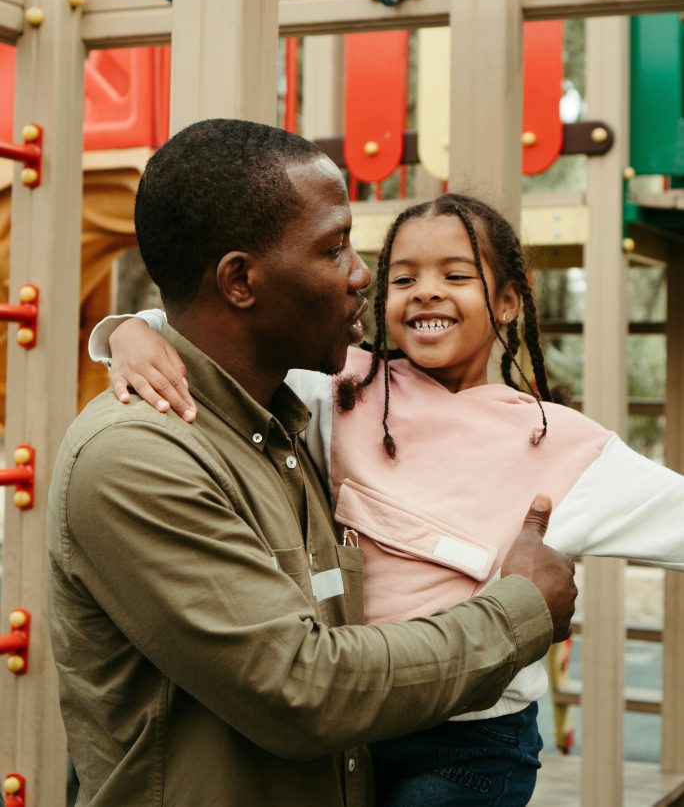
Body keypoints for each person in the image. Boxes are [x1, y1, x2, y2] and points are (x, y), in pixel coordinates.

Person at [49, 120, 578, 807]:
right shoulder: (137, 458)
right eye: (334, 249)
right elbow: (303, 689)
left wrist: (134, 327)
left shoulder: (287, 432)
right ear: (240, 280)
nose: (363, 275)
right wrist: (521, 609)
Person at [95, 191, 684, 807]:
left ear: (509, 302)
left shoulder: (564, 445)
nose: (425, 291)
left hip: (471, 743)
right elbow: (219, 341)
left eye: (456, 275)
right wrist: (135, 333)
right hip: (355, 723)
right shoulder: (344, 389)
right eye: (403, 278)